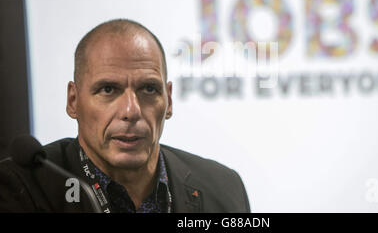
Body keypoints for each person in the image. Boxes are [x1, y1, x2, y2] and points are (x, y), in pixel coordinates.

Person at [0, 19, 250, 213]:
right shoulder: (20, 188)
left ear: (169, 100)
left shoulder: (223, 187)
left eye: (149, 89)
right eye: (108, 90)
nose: (132, 111)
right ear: (73, 101)